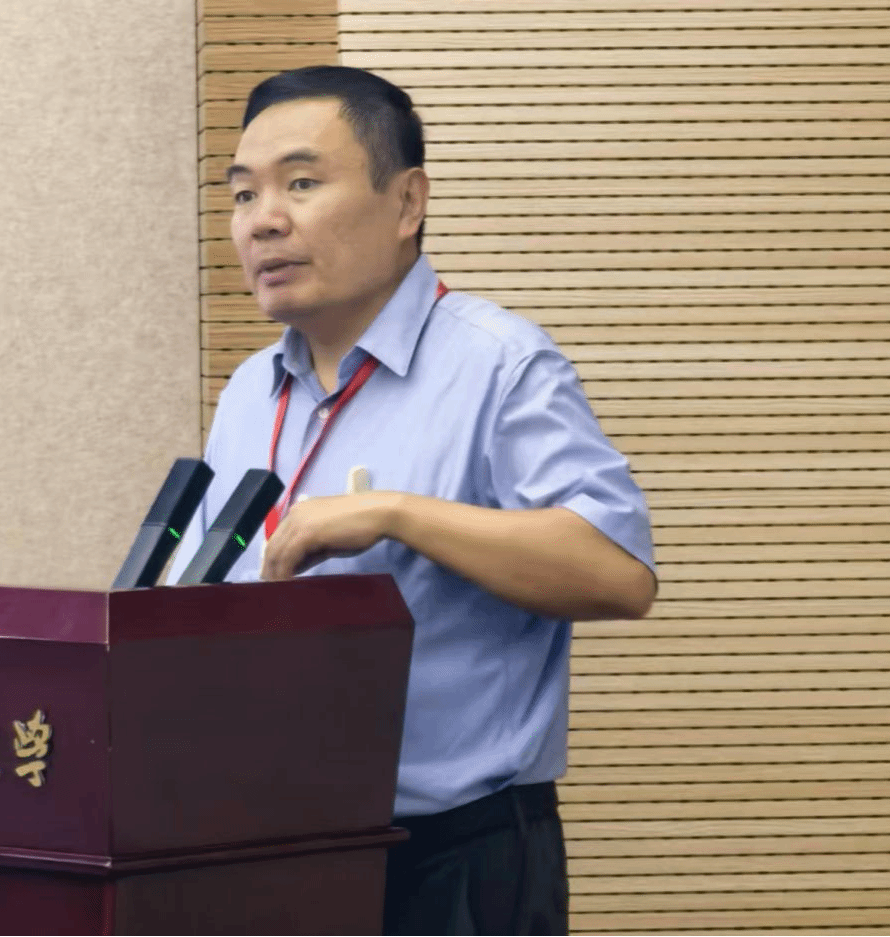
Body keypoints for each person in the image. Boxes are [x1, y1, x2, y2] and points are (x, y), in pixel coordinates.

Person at [168, 65, 657, 937]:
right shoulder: (248, 389)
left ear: (407, 202)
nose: (264, 219)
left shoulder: (499, 363)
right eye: (243, 194)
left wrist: (399, 515)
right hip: (272, 847)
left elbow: (618, 572)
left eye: (302, 183)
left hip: (456, 859)